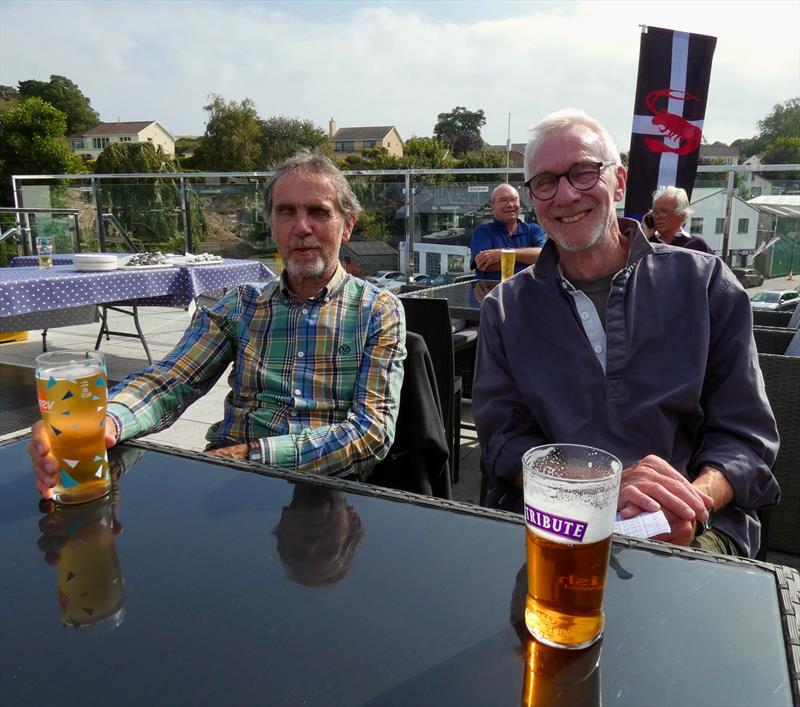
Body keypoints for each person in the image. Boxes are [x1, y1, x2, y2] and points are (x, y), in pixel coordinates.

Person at [472, 108, 779, 558]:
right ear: (534, 198)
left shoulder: (704, 283)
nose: (565, 195)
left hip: (692, 525)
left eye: (583, 172)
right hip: (558, 518)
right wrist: (601, 489)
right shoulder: (506, 308)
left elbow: (746, 437)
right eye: (545, 182)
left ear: (618, 182)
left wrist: (689, 503)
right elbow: (502, 441)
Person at [29, 151, 407, 494]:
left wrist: (249, 456)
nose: (301, 227)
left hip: (326, 492)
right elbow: (170, 380)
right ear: (272, 225)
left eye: (319, 212)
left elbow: (370, 433)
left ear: (348, 225)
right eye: (286, 211)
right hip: (230, 484)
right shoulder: (241, 304)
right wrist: (104, 423)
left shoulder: (377, 311)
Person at [470, 183, 546, 280]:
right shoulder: (483, 231)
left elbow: (543, 257)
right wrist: (529, 259)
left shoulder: (533, 230)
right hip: (492, 292)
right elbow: (484, 264)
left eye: (514, 200)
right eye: (503, 200)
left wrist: (502, 254)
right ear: (492, 208)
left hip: (527, 292)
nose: (510, 205)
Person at [642, 185, 714, 253]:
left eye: (663, 211)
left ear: (682, 215)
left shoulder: (697, 246)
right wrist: (644, 237)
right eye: (654, 212)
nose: (657, 216)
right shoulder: (645, 243)